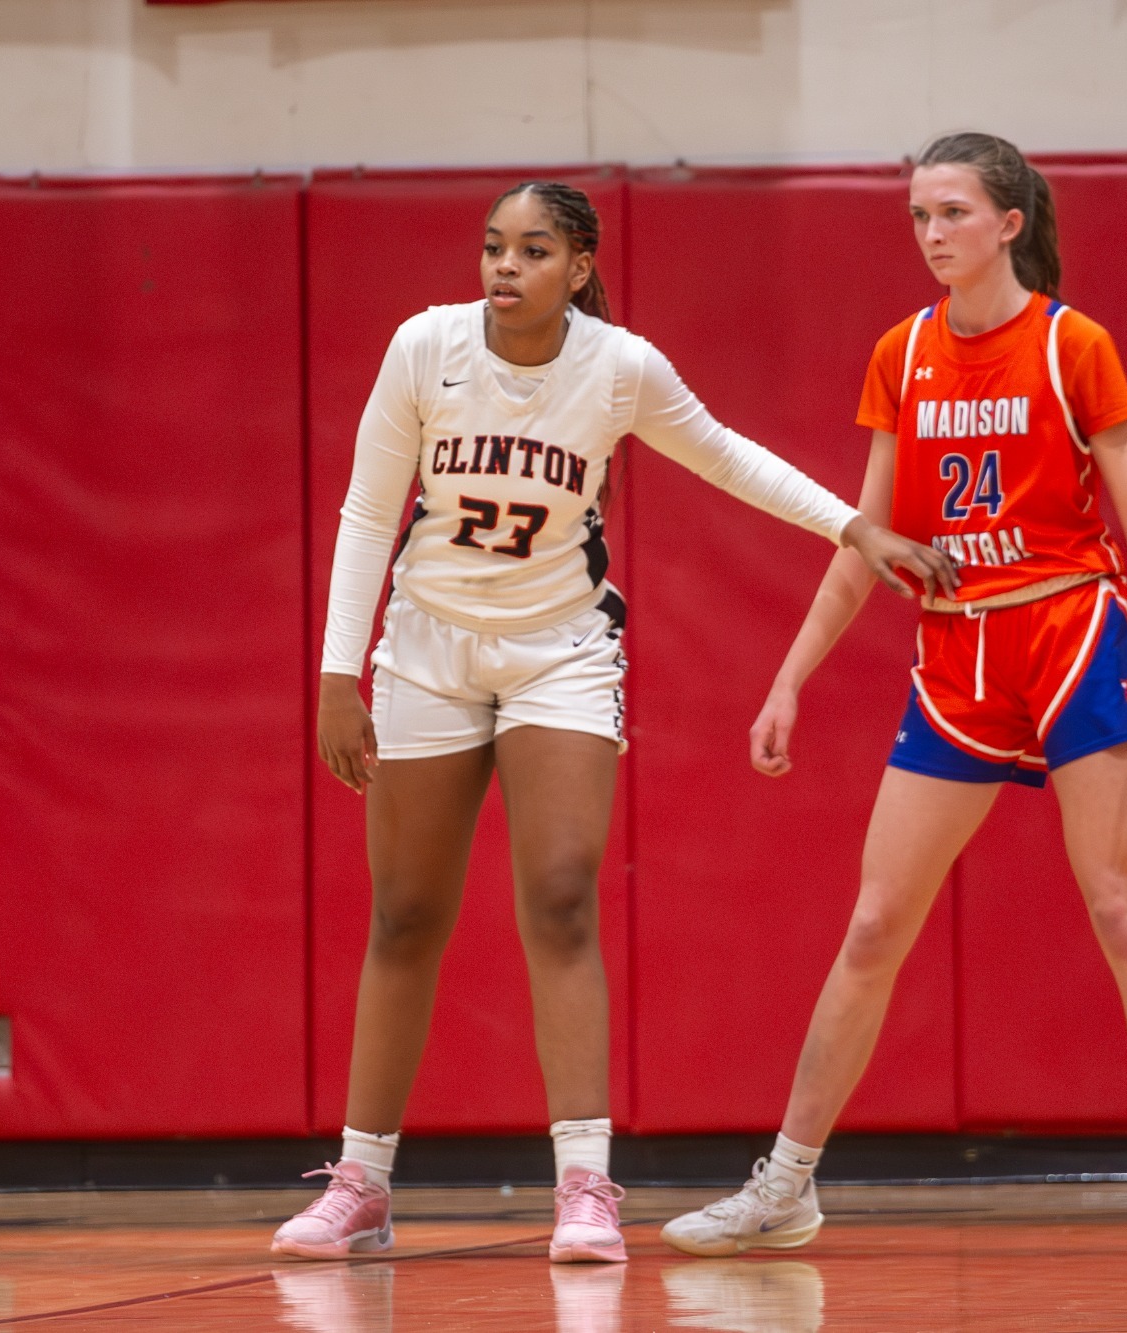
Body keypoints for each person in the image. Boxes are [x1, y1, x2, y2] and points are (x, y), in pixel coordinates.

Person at [272, 180, 956, 1265]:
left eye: (532, 249)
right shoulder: (425, 347)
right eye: (492, 246)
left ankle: (584, 1184)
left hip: (560, 649)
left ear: (579, 266)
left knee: (559, 894)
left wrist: (854, 528)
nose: (504, 266)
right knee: (404, 911)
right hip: (426, 645)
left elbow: (726, 454)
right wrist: (333, 674)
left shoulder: (620, 367)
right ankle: (360, 1182)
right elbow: (366, 513)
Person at [661, 132, 1127, 1260]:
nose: (931, 233)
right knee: (875, 922)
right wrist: (787, 678)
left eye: (953, 212)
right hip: (957, 651)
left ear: (1009, 223)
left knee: (1120, 906)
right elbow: (866, 540)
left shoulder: (1072, 344)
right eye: (919, 215)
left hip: (1074, 636)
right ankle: (785, 1185)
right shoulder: (903, 352)